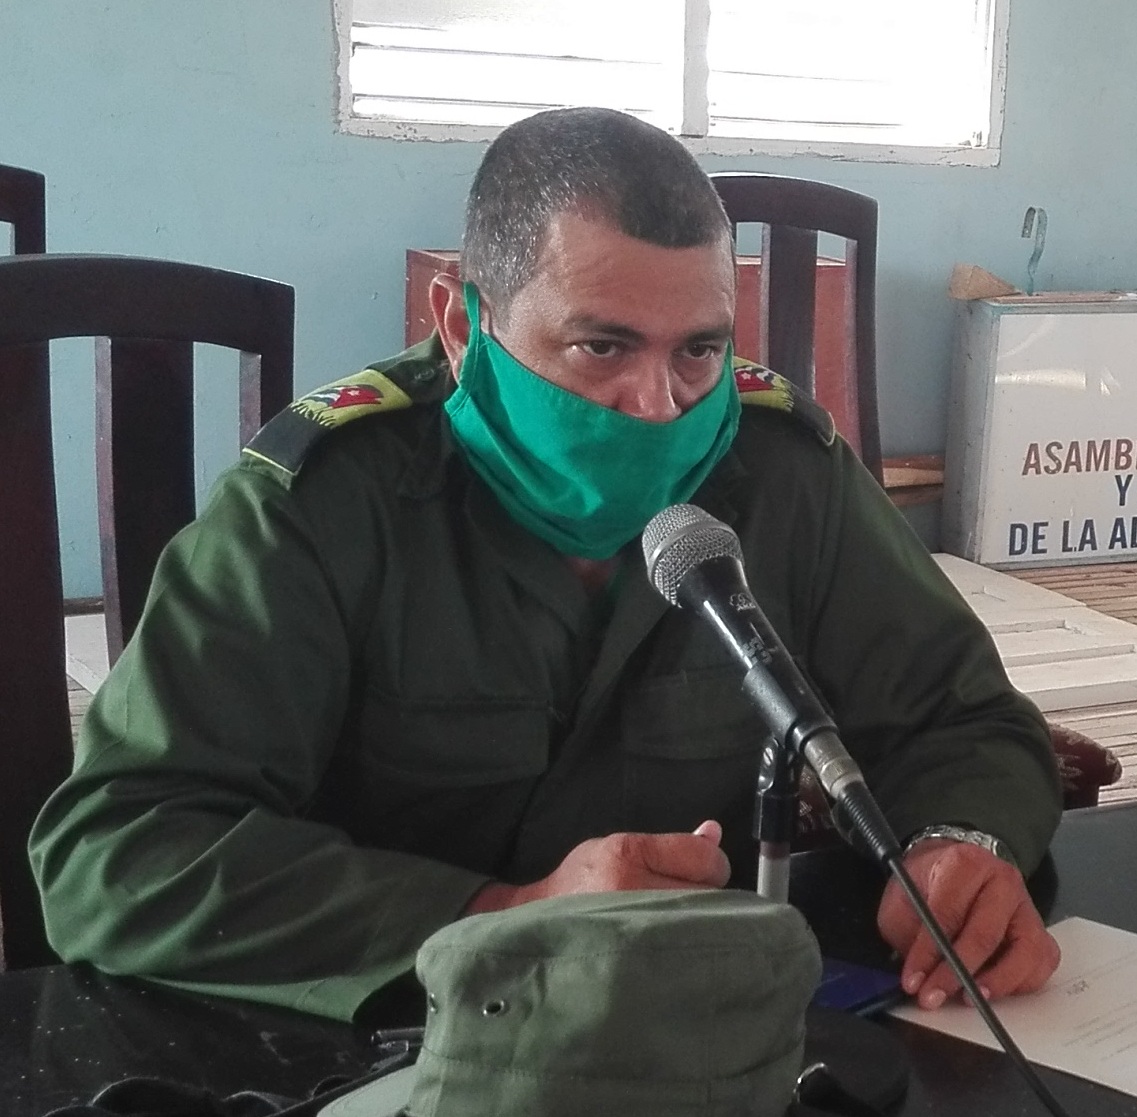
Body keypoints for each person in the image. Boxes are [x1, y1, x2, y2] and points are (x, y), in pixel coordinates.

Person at [31, 107, 1061, 1024]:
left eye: (698, 349)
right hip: (403, 1046)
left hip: (710, 1035)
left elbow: (966, 719)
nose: (658, 404)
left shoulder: (783, 473)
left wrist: (960, 841)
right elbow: (118, 853)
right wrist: (504, 914)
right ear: (459, 320)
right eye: (601, 348)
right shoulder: (326, 505)